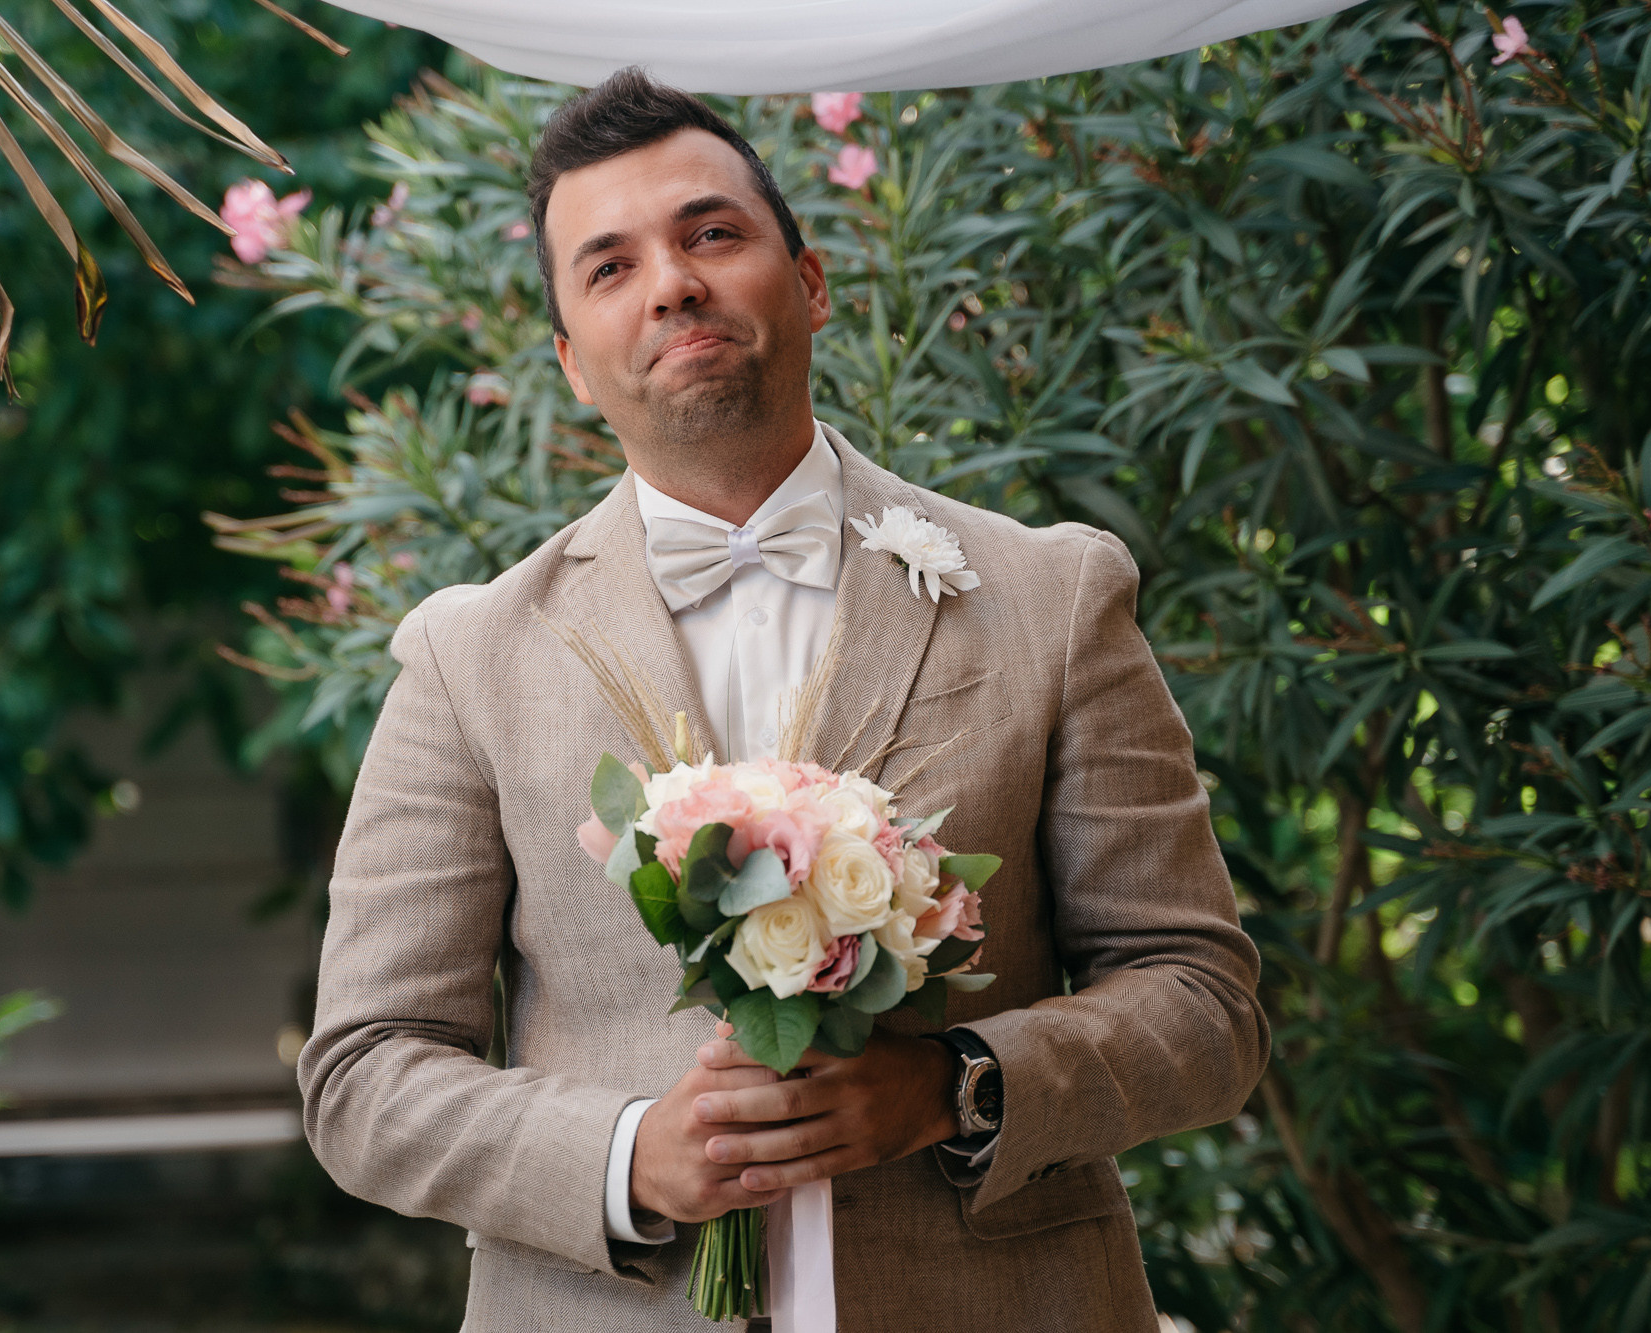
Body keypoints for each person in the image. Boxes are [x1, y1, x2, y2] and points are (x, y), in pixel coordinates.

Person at [297, 68, 1269, 1332]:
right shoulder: (466, 657)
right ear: (572, 366)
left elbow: (1202, 1001)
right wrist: (625, 1155)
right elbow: (363, 1077)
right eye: (609, 267)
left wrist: (956, 1086)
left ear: (808, 284)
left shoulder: (1051, 596)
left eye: (710, 233)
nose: (672, 283)